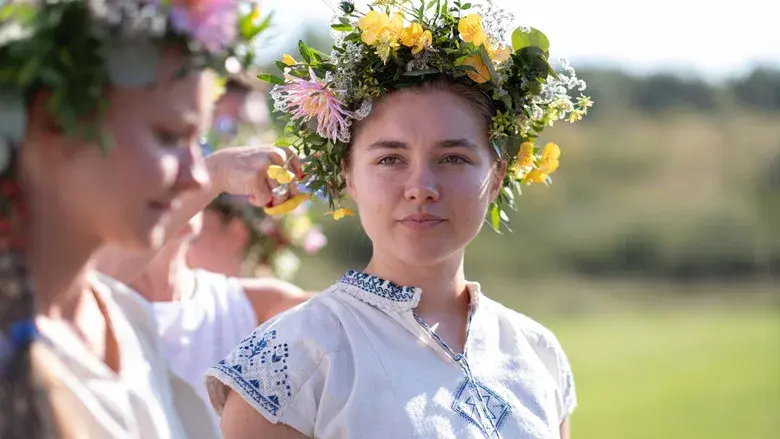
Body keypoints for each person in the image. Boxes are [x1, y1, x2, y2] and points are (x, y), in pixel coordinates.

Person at [205, 1, 593, 438]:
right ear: (347, 174)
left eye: (453, 157)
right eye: (391, 158)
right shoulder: (293, 358)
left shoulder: (536, 352)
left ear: (497, 175)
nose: (421, 186)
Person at [0, 1, 294, 438]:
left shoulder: (127, 320)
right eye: (168, 137)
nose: (195, 174)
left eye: (199, 143)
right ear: (56, 121)